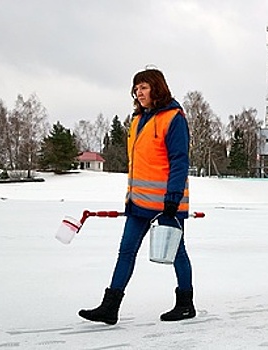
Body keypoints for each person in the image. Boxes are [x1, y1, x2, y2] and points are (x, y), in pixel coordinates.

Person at [79, 68, 195, 324]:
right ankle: (110, 307)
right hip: (139, 201)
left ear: (157, 88)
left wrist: (173, 198)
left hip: (167, 203)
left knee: (177, 253)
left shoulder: (173, 118)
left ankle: (186, 304)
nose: (138, 92)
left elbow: (179, 160)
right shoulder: (137, 119)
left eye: (143, 87)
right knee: (126, 251)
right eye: (136, 88)